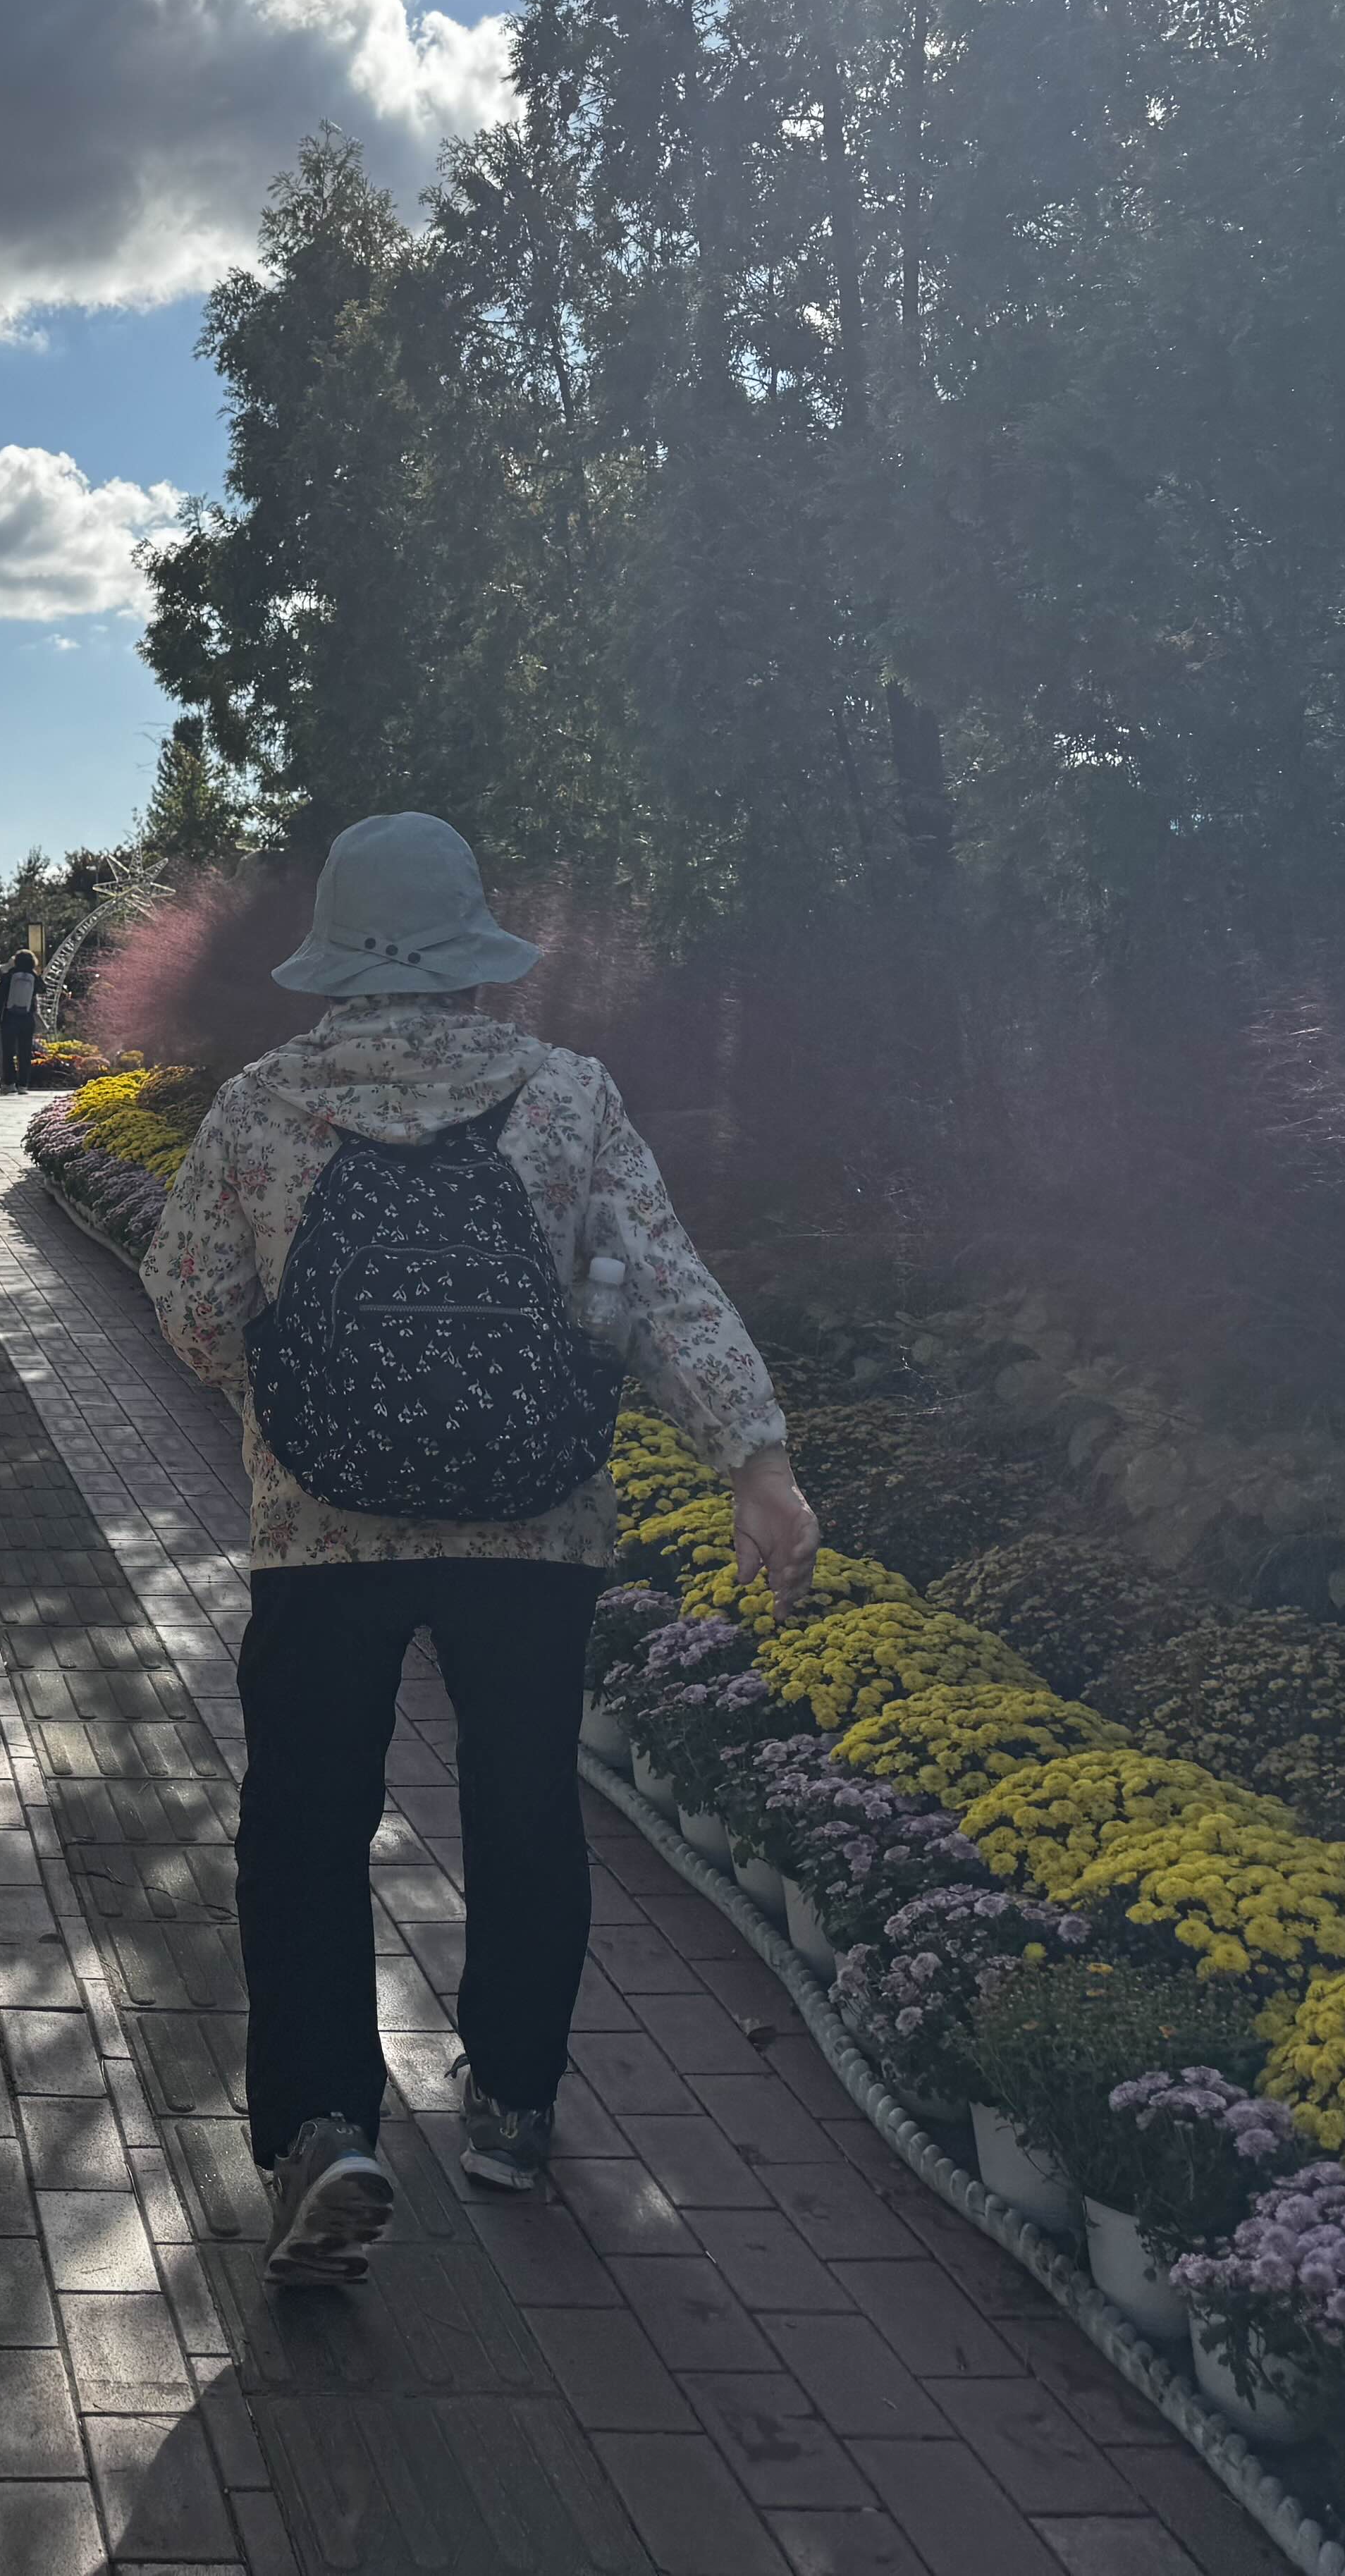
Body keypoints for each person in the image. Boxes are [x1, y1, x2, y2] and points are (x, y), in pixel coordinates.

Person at [142, 811, 813, 2288]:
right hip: (535, 1521)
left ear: (336, 950)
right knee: (523, 1808)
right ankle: (511, 2103)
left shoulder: (266, 1103)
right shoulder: (567, 1094)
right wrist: (754, 1462)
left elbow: (188, 1301)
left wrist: (287, 1399)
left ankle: (323, 2126)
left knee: (305, 1825)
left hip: (322, 1531)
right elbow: (664, 1292)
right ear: (470, 949)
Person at [0, 948, 42, 1091]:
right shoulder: (34, 977)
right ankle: (23, 1085)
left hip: (9, 1018)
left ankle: (9, 1084)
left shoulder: (9, 976)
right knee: (25, 1053)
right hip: (27, 1018)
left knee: (7, 1052)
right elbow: (43, 989)